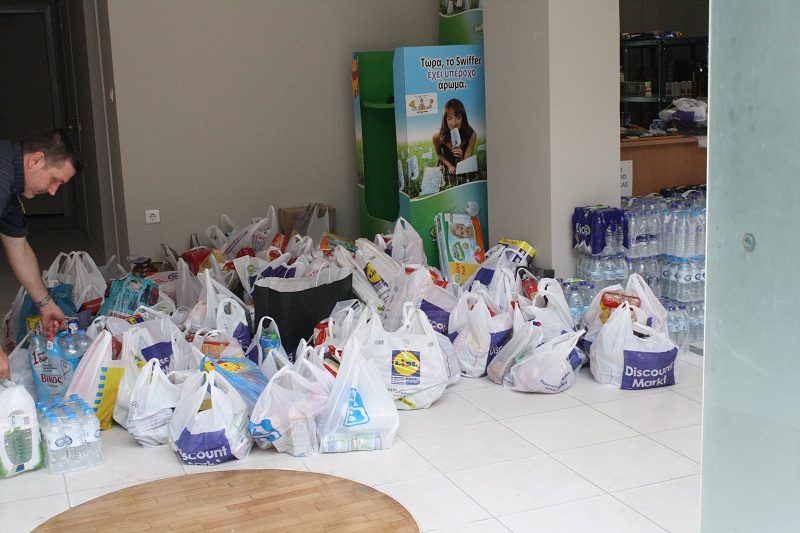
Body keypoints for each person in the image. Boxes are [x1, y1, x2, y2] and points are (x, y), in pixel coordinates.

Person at [0, 128, 84, 379]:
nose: (53, 191)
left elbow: (19, 248)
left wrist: (46, 304)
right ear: (36, 160)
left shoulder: (11, 189)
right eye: (54, 180)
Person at [432, 98, 477, 186]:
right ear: (445, 120)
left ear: (463, 118)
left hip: (463, 166)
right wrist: (449, 165)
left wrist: (460, 157)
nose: (454, 123)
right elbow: (439, 153)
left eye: (458, 118)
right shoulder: (437, 136)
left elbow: (466, 167)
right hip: (446, 165)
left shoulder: (471, 135)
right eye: (450, 118)